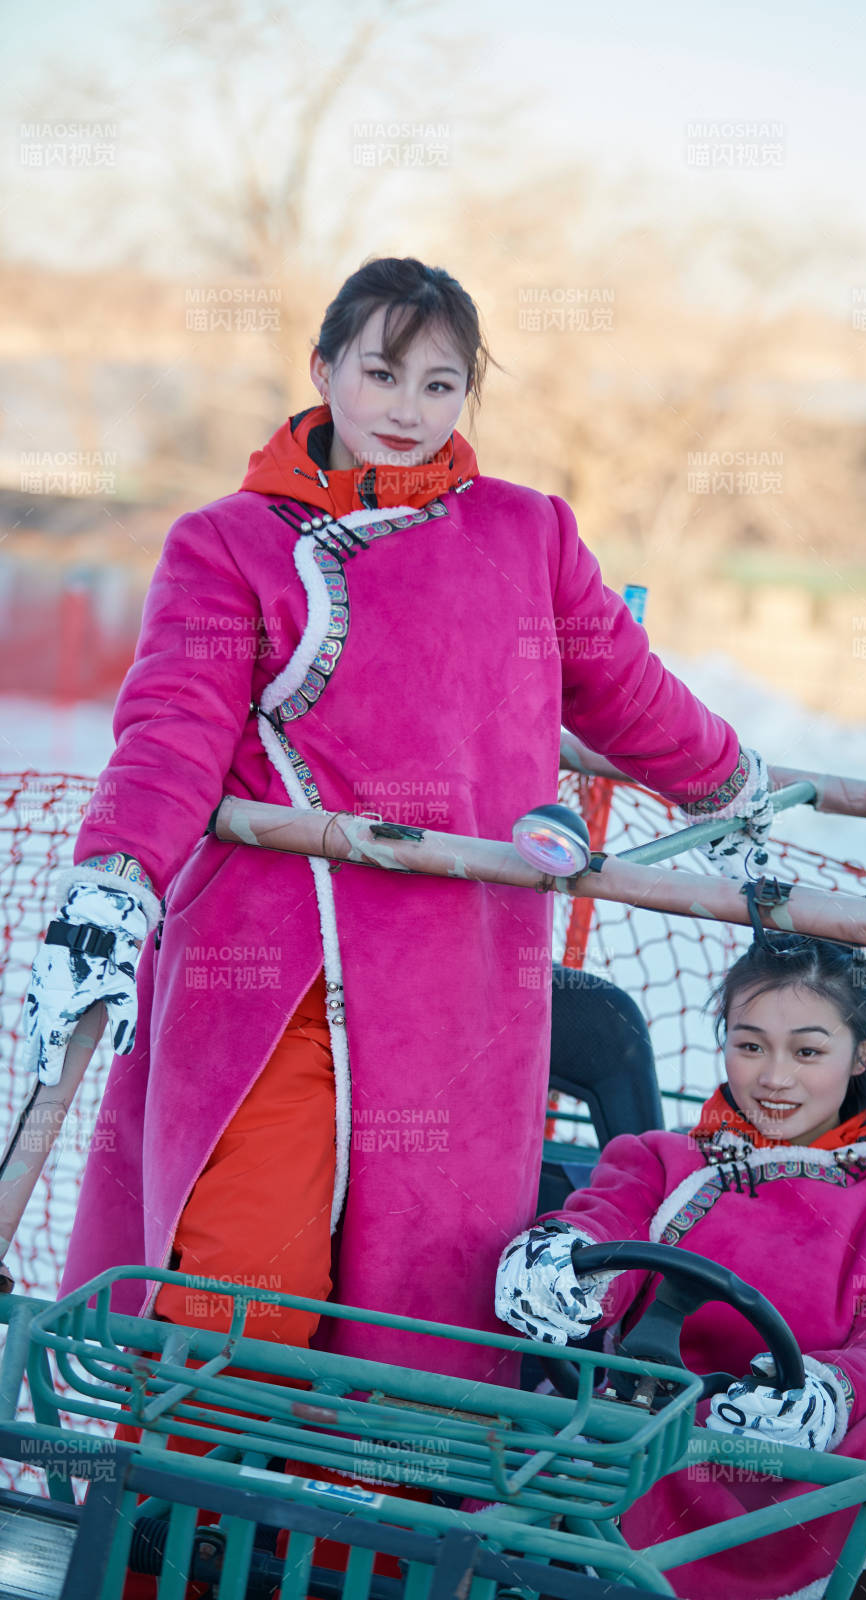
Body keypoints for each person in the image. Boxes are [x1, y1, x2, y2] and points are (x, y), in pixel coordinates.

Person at [21, 256, 776, 1386]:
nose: (406, 410)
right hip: (271, 977)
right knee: (238, 1289)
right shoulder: (227, 543)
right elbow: (173, 728)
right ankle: (166, 1541)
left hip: (453, 991)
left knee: (416, 1321)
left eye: (439, 385)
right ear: (323, 367)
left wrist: (730, 784)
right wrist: (115, 876)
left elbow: (624, 689)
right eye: (379, 373)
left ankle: (353, 1555)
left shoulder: (526, 535)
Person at [496, 933, 866, 1600]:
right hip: (655, 1435)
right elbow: (607, 1221)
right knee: (535, 1424)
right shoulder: (663, 1161)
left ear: (861, 1052)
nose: (774, 1078)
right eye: (749, 1045)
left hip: (814, 1466)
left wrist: (824, 1393)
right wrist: (562, 1261)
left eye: (807, 1051)